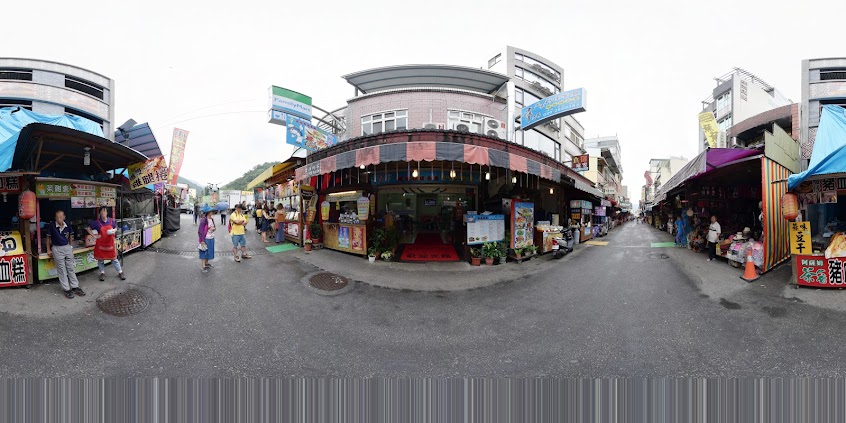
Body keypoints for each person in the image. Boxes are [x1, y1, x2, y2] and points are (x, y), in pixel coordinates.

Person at [46, 210, 84, 299]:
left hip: (66, 247)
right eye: (57, 217)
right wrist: (48, 249)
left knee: (70, 267)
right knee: (62, 269)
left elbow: (71, 235)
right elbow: (48, 238)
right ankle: (66, 289)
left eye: (61, 216)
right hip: (56, 248)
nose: (59, 219)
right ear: (55, 218)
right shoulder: (52, 225)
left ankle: (75, 287)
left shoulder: (67, 224)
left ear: (64, 217)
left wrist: (70, 246)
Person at [87, 207, 126, 281]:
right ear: (100, 213)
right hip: (101, 245)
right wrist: (94, 236)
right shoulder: (97, 222)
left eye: (104, 211)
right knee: (100, 260)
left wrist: (114, 231)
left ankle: (120, 272)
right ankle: (102, 273)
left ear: (107, 212)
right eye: (101, 212)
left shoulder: (112, 221)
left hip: (110, 244)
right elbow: (88, 228)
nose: (103, 213)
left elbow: (115, 228)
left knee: (114, 259)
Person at [198, 206, 216, 272]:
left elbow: (214, 227)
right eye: (211, 211)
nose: (212, 212)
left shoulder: (211, 219)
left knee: (209, 251)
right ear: (208, 212)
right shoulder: (203, 220)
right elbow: (200, 230)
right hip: (205, 238)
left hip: (211, 237)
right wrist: (202, 240)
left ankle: (206, 263)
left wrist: (213, 229)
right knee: (203, 251)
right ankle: (203, 266)